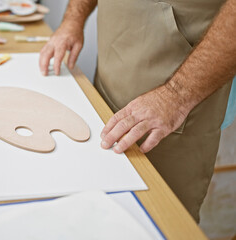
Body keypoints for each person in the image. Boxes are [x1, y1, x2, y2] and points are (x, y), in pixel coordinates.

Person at [39, 0, 236, 222]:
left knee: (156, 220)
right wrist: (73, 19)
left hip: (178, 89)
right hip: (114, 66)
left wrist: (176, 95)